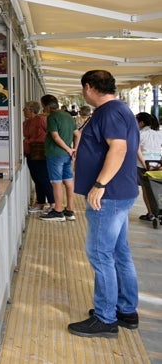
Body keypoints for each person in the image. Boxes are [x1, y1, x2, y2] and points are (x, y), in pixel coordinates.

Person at [68, 70, 140, 338]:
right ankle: (125, 310)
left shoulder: (109, 111)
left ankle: (105, 317)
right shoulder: (121, 109)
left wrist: (99, 185)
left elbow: (118, 148)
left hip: (108, 196)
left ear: (88, 87)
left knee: (100, 254)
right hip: (120, 192)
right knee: (119, 253)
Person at [39, 94, 78, 222]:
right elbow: (77, 134)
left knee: (56, 183)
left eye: (43, 106)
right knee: (68, 181)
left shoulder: (52, 117)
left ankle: (58, 211)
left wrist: (68, 149)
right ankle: (70, 210)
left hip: (55, 154)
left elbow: (55, 137)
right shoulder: (68, 116)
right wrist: (74, 150)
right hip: (67, 155)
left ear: (46, 106)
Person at [22, 101, 53, 213]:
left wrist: (31, 140)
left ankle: (52, 203)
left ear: (32, 110)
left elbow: (48, 134)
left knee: (44, 178)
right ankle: (40, 203)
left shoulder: (41, 120)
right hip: (30, 153)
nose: (23, 111)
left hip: (40, 153)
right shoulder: (25, 123)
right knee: (36, 179)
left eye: (25, 109)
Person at [135, 112, 162, 221]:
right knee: (158, 188)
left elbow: (137, 151)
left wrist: (144, 163)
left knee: (146, 189)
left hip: (143, 165)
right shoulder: (159, 134)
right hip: (158, 165)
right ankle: (159, 211)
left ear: (141, 123)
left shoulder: (140, 134)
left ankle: (150, 213)